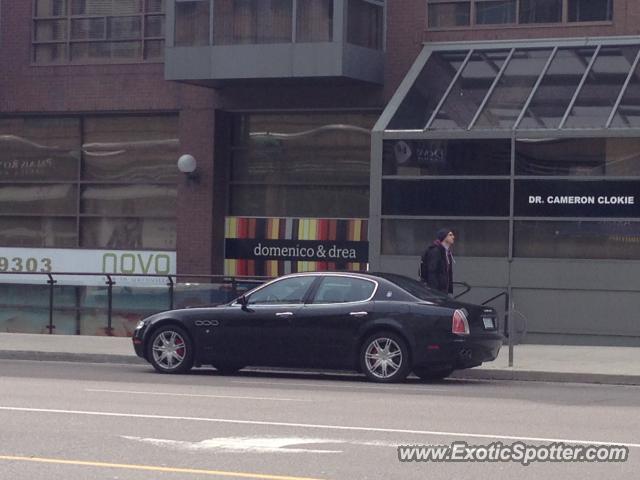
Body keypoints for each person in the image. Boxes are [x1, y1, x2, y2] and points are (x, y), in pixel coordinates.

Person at [419, 228, 455, 294]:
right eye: (450, 235)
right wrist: (435, 292)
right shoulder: (435, 251)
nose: (453, 237)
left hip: (443, 291)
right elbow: (432, 272)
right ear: (444, 237)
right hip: (436, 291)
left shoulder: (447, 252)